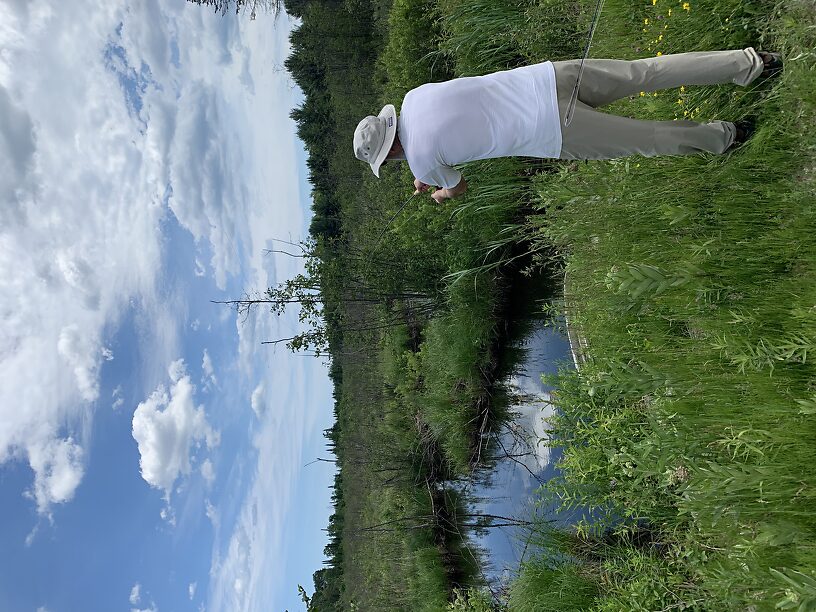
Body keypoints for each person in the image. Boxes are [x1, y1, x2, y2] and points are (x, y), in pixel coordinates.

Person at [352, 48, 782, 203]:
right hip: (548, 76)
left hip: (556, 129)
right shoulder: (414, 98)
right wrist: (427, 172)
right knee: (644, 71)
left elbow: (458, 185)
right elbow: (446, 129)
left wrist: (439, 190)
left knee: (647, 139)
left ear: (389, 152)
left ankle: (728, 136)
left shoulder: (423, 164)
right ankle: (750, 63)